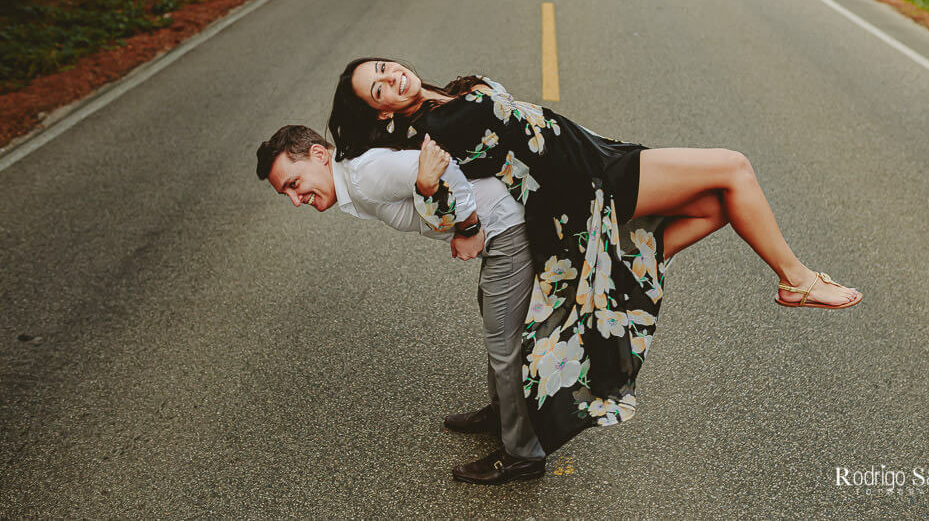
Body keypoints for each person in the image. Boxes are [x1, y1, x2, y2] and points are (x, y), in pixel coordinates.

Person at [328, 57, 863, 453]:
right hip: (587, 183)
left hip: (598, 153)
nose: (393, 78)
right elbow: (448, 203)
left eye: (384, 67)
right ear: (380, 110)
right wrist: (448, 212)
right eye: (380, 88)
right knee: (733, 169)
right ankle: (796, 280)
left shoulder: (443, 98)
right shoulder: (429, 132)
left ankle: (631, 259)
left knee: (721, 206)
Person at [256, 124, 547, 484]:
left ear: (318, 155)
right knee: (494, 322)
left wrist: (469, 229)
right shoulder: (355, 177)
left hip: (505, 228)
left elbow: (444, 166)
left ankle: (523, 454)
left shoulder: (364, 174)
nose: (295, 200)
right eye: (287, 194)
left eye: (293, 184)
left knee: (504, 343)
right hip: (498, 228)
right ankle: (504, 413)